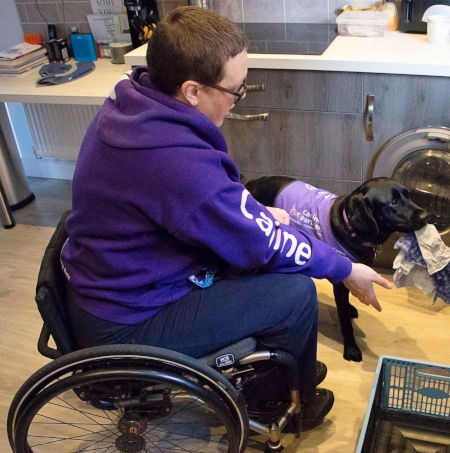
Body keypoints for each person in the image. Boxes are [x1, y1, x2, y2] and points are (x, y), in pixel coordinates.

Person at [60, 6, 392, 432]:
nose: (238, 101)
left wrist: (252, 215)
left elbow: (207, 204)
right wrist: (345, 268)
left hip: (115, 282)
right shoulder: (174, 161)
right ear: (192, 90)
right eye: (235, 91)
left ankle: (280, 373)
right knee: (293, 293)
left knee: (264, 257)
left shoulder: (133, 103)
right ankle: (286, 403)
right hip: (129, 319)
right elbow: (260, 240)